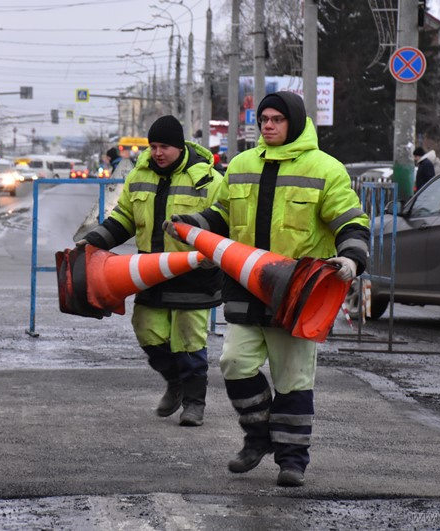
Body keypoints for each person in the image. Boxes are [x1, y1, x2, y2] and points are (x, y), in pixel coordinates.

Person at [164, 92, 370, 487]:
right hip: (245, 289)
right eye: (263, 120)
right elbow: (220, 216)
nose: (268, 126)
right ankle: (258, 438)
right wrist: (189, 223)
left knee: (293, 379)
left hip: (298, 293)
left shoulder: (326, 169)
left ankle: (292, 461)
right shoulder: (240, 165)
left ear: (294, 121)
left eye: (276, 119)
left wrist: (352, 260)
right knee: (234, 363)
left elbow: (350, 222)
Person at [77, 115, 225, 427]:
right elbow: (124, 219)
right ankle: (176, 383)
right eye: (153, 146)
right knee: (145, 328)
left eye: (165, 147)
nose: (157, 152)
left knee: (188, 337)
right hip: (150, 273)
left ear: (180, 146)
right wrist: (93, 243)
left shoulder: (208, 179)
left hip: (193, 275)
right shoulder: (140, 174)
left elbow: (224, 221)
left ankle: (195, 403)